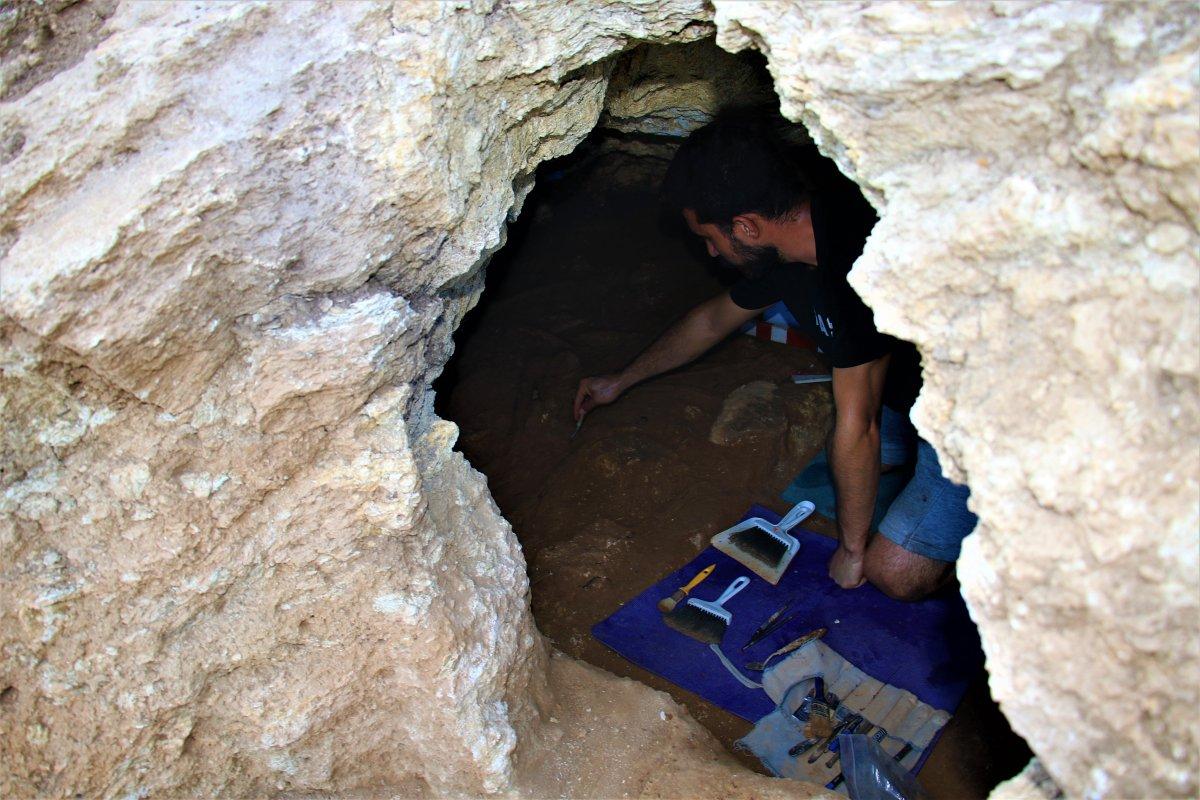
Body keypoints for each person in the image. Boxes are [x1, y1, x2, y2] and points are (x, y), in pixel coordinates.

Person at [573, 117, 977, 601]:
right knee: (863, 468)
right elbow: (714, 320)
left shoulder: (857, 265)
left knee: (892, 571)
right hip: (904, 372)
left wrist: (851, 551)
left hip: (971, 397)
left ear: (745, 226)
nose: (711, 252)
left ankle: (1001, 533)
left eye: (710, 238)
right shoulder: (790, 240)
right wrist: (621, 380)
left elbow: (858, 425)